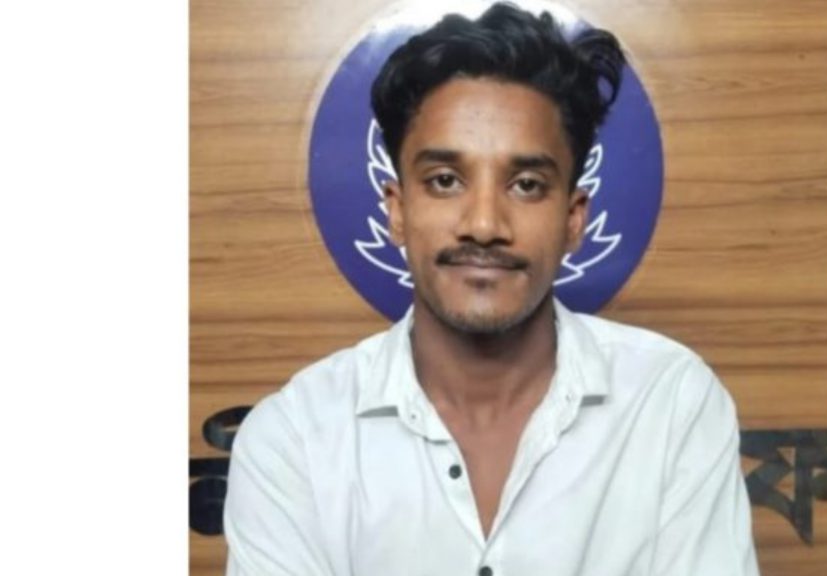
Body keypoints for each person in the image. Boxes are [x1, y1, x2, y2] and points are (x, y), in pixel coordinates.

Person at [224, 3, 759, 575]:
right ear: (397, 211)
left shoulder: (670, 405)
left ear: (574, 219)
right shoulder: (296, 439)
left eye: (526, 185)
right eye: (444, 181)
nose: (483, 224)